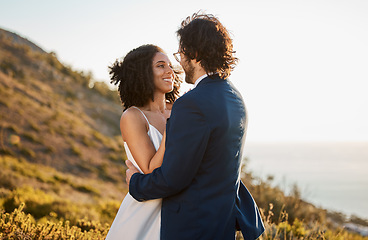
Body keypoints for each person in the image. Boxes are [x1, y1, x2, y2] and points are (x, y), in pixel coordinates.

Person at [125, 12, 265, 240]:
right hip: (221, 224)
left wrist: (136, 183)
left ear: (195, 54)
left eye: (180, 53)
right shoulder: (235, 97)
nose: (179, 61)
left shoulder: (191, 104)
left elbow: (173, 177)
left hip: (191, 227)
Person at [105, 44, 182, 240]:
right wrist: (171, 127)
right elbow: (150, 172)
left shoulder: (180, 109)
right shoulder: (133, 116)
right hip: (144, 214)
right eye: (160, 65)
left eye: (170, 65)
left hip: (181, 209)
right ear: (143, 73)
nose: (169, 71)